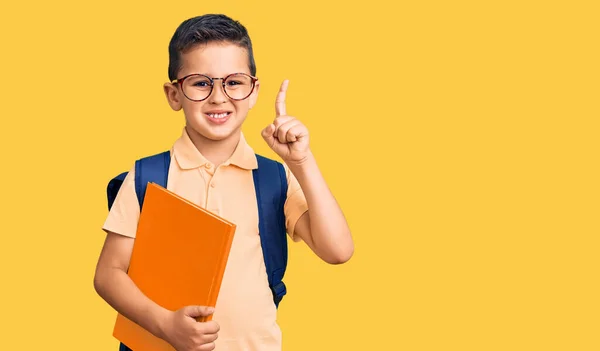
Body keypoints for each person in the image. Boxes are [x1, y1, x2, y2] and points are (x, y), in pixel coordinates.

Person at [93, 13, 354, 351]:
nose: (218, 97)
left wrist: (301, 162)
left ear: (253, 90)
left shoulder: (273, 178)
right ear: (174, 94)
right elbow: (108, 274)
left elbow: (338, 250)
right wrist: (164, 324)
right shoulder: (148, 177)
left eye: (234, 82)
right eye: (201, 83)